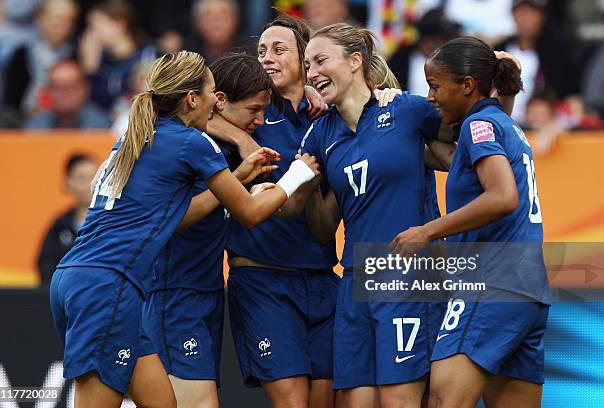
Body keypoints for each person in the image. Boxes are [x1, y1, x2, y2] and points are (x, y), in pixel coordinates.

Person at [49, 50, 319, 407]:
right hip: (109, 285)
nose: (216, 102)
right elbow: (251, 213)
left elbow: (177, 213)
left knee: (165, 403)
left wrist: (236, 177)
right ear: (193, 98)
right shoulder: (191, 142)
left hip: (79, 278)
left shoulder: (136, 135)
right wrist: (299, 173)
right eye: (211, 92)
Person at [392, 36, 551, 407]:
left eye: (434, 86)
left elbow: (502, 196)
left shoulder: (478, 126)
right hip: (528, 290)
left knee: (444, 400)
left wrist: (427, 231)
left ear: (467, 85)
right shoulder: (505, 123)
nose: (430, 97)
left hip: (490, 284)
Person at [301, 23, 455, 407]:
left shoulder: (407, 109)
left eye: (321, 60)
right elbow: (323, 231)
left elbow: (464, 147)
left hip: (409, 275)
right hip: (355, 278)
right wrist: (305, 191)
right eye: (307, 65)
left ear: (356, 61)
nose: (312, 72)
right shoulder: (320, 134)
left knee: (398, 401)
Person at [208, 14, 340, 408]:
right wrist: (241, 140)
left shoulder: (327, 114)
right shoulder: (252, 110)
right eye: (261, 50)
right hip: (262, 280)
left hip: (321, 277)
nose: (266, 58)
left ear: (306, 59)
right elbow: (198, 108)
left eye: (279, 50)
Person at [142, 53, 276, 408]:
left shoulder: (210, 145)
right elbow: (242, 213)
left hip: (205, 290)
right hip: (175, 293)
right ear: (211, 100)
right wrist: (297, 178)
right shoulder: (186, 144)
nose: (260, 121)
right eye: (253, 110)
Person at [37, 154, 98, 286]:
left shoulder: (113, 220)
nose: (91, 184)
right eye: (83, 178)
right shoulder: (60, 225)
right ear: (68, 183)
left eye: (95, 176)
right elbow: (46, 265)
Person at [26, 60, 111, 129]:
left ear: (84, 89)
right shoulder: (36, 128)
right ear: (48, 90)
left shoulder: (102, 127)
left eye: (71, 86)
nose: (64, 94)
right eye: (57, 87)